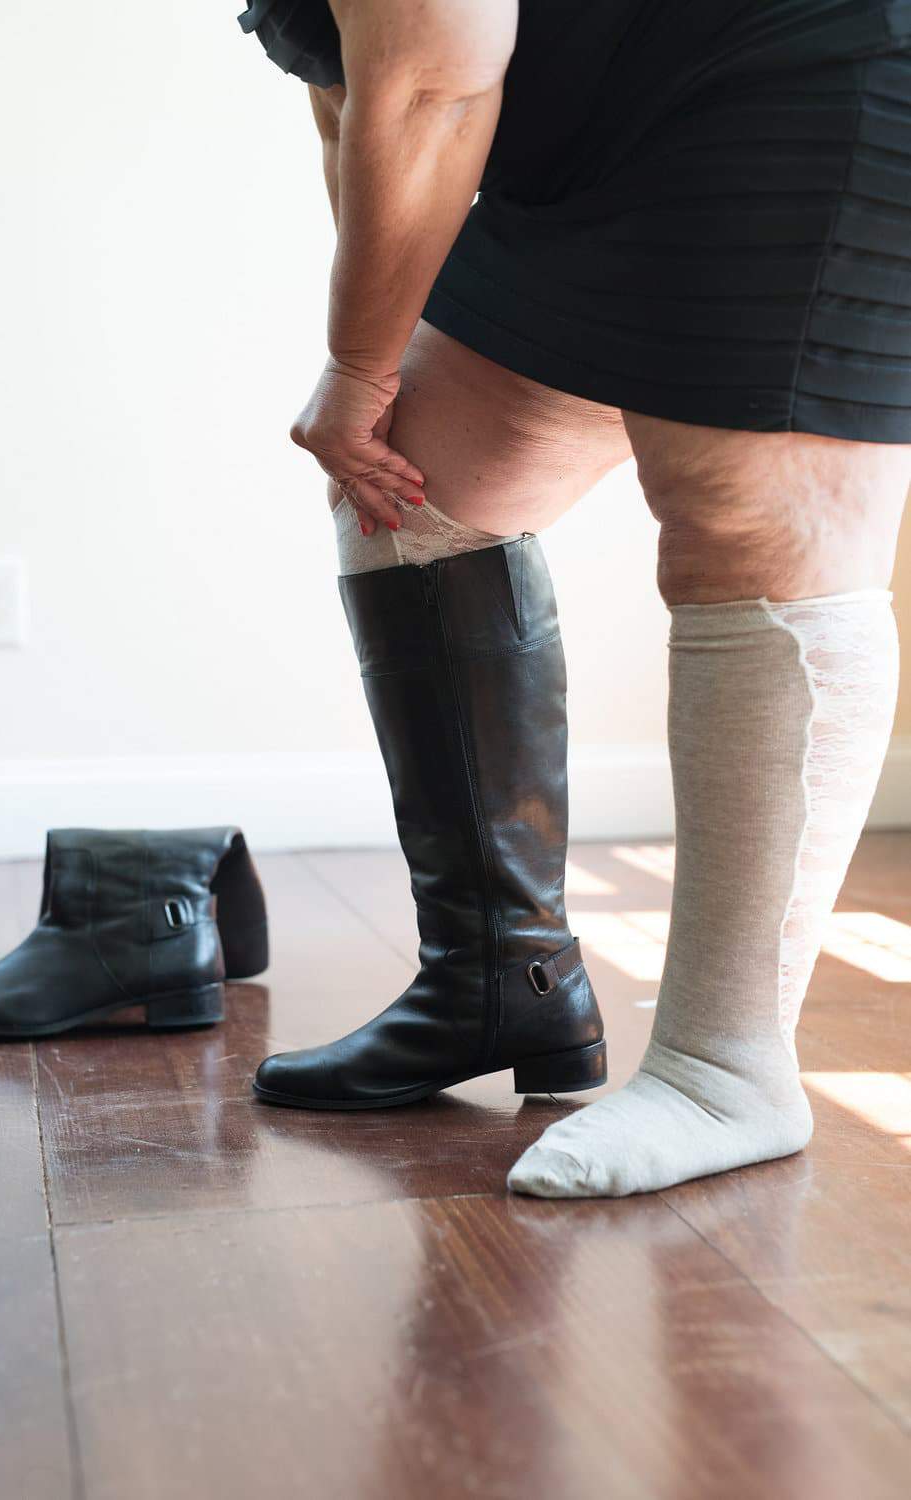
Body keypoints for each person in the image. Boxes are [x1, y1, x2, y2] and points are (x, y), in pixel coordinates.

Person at [241, 0, 911, 1197]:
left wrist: (355, 366)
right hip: (597, 130)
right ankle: (504, 981)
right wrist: (384, 364)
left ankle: (726, 1065)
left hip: (807, 65)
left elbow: (434, 79)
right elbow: (354, 85)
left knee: (746, 529)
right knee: (409, 488)